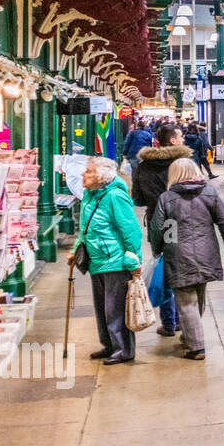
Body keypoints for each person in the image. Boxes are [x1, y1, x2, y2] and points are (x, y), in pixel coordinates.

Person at [148, 158, 224, 361]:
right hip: (207, 254)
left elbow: (157, 229)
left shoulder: (167, 198)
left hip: (178, 255)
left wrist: (157, 249)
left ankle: (197, 347)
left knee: (186, 301)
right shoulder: (209, 193)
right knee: (197, 296)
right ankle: (191, 336)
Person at [69, 156, 144, 365]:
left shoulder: (115, 197)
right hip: (96, 260)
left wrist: (134, 260)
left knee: (115, 308)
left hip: (115, 261)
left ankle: (123, 349)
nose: (84, 174)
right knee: (102, 308)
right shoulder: (88, 195)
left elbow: (130, 230)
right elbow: (84, 228)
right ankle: (109, 345)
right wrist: (75, 250)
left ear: (101, 177)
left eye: (89, 172)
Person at [131, 124, 195, 221]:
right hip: (183, 218)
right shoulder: (185, 164)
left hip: (155, 218)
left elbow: (138, 199)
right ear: (173, 141)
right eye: (181, 137)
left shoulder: (143, 165)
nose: (183, 140)